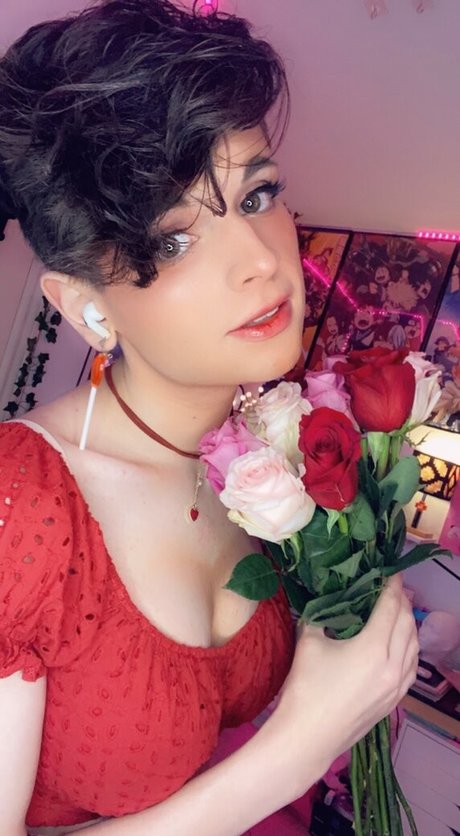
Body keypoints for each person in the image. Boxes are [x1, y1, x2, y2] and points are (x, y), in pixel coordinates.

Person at [0, 1, 419, 834]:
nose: (262, 259)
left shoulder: (280, 450)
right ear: (84, 307)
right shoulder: (23, 510)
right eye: (174, 239)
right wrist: (297, 748)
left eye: (258, 194)